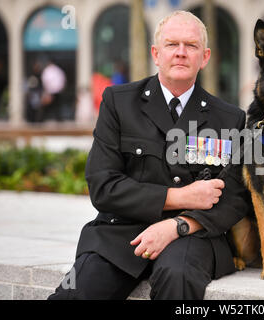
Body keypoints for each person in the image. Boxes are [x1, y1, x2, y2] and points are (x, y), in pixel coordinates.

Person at [48, 10, 250, 300]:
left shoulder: (229, 118)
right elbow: (103, 186)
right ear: (156, 53)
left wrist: (177, 224)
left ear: (204, 57)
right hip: (121, 233)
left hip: (192, 235)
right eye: (172, 44)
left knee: (177, 280)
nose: (181, 53)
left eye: (191, 46)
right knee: (76, 293)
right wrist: (178, 196)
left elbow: (235, 198)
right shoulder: (119, 102)